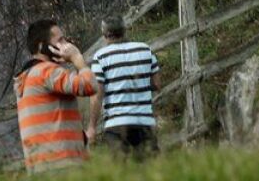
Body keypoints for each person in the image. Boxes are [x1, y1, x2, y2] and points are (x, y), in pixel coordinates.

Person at [14, 18, 97, 173]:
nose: (66, 44)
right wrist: (77, 58)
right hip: (63, 164)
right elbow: (90, 86)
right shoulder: (47, 71)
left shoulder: (27, 77)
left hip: (40, 166)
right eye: (60, 40)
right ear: (41, 46)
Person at [87, 15, 160, 157]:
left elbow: (98, 96)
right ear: (125, 30)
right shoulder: (145, 50)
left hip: (116, 125)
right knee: (150, 171)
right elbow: (157, 84)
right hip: (144, 122)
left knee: (123, 172)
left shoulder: (100, 57)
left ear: (104, 33)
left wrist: (92, 127)